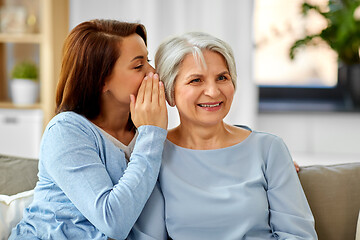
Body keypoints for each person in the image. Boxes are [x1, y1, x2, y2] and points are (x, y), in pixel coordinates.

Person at [129, 32, 317, 239]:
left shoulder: (269, 148)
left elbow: (298, 235)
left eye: (222, 78)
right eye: (196, 80)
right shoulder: (154, 155)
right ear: (169, 92)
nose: (213, 91)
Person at [9, 19, 167, 240]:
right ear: (101, 80)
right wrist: (152, 133)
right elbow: (114, 222)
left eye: (148, 61)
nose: (153, 73)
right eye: (139, 66)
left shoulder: (145, 132)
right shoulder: (65, 131)